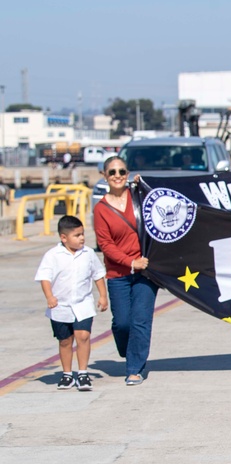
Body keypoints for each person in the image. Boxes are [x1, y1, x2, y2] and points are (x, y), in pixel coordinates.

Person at [93, 155, 159, 385]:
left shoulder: (139, 197)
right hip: (118, 274)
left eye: (122, 171)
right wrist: (130, 263)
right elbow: (106, 245)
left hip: (146, 273)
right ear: (105, 176)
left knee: (140, 320)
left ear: (128, 174)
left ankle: (135, 368)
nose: (117, 176)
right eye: (112, 172)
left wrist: (146, 183)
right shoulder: (101, 210)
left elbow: (167, 200)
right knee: (122, 323)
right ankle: (129, 349)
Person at [34, 215, 108, 391]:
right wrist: (49, 297)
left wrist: (103, 296)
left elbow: (97, 275)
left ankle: (83, 373)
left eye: (82, 234)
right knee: (65, 340)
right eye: (77, 235)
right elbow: (44, 277)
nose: (82, 238)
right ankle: (67, 374)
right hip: (60, 306)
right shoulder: (52, 255)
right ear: (63, 238)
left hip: (83, 304)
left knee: (83, 336)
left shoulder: (88, 254)